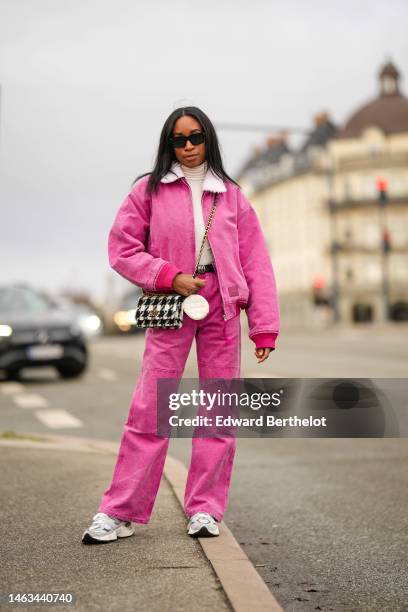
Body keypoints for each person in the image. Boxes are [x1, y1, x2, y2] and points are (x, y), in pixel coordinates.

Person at [82, 106, 280, 544]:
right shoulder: (148, 190)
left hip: (222, 302)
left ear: (209, 138)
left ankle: (206, 510)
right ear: (168, 144)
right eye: (179, 139)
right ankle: (120, 511)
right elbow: (122, 249)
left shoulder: (230, 194)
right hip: (174, 300)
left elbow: (256, 262)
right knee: (150, 407)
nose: (188, 147)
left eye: (196, 137)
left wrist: (263, 326)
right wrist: (168, 275)